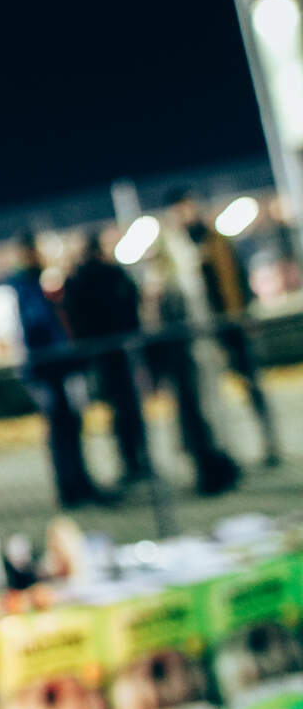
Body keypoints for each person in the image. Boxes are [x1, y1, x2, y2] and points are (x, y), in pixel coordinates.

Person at [168, 189, 281, 465]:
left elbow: (236, 278)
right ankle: (227, 449)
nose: (185, 214)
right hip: (202, 332)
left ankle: (269, 442)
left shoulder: (215, 239)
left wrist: (244, 314)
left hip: (229, 324)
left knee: (250, 384)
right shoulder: (176, 247)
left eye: (187, 207)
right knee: (211, 394)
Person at [145, 194, 240, 495]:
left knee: (205, 414)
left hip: (195, 356)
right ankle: (215, 467)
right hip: (193, 358)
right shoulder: (178, 284)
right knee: (202, 415)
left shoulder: (181, 283)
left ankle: (217, 467)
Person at [8, 231, 104, 508]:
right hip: (48, 369)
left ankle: (77, 484)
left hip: (52, 368)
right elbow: (38, 326)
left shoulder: (33, 283)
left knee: (69, 426)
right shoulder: (26, 286)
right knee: (62, 429)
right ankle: (72, 487)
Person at [63, 229, 151, 483]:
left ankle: (130, 461)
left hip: (102, 353)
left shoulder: (80, 279)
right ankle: (140, 459)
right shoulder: (113, 274)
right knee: (130, 406)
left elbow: (75, 316)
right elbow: (133, 302)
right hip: (122, 350)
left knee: (117, 408)